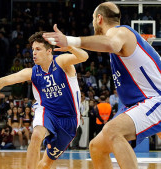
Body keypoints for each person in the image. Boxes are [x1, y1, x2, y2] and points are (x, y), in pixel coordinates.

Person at [43, 2, 161, 169]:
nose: (92, 23)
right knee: (97, 146)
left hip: (156, 99)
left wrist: (70, 40)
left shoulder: (121, 32)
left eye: (93, 19)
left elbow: (110, 44)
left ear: (99, 18)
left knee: (113, 131)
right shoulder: (122, 40)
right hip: (138, 103)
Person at [0, 31, 88, 169]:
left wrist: (70, 47)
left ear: (49, 51)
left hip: (69, 119)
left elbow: (84, 57)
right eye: (33, 49)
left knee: (46, 164)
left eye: (38, 49)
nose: (33, 53)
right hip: (47, 111)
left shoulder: (61, 62)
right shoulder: (32, 72)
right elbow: (3, 81)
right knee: (36, 135)